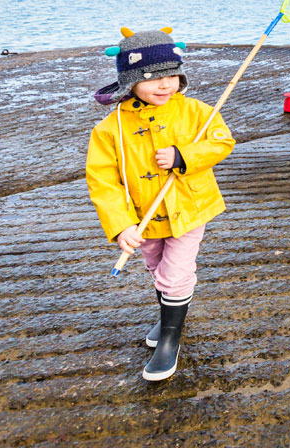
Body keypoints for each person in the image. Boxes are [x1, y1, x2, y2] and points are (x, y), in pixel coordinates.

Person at [86, 27, 236, 381]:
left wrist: (185, 154)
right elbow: (102, 181)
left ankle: (171, 337)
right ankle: (170, 315)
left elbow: (222, 141)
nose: (165, 85)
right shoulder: (110, 129)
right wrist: (120, 223)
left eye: (172, 75)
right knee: (156, 268)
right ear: (130, 80)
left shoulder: (195, 110)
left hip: (189, 208)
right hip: (143, 218)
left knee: (175, 274)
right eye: (153, 78)